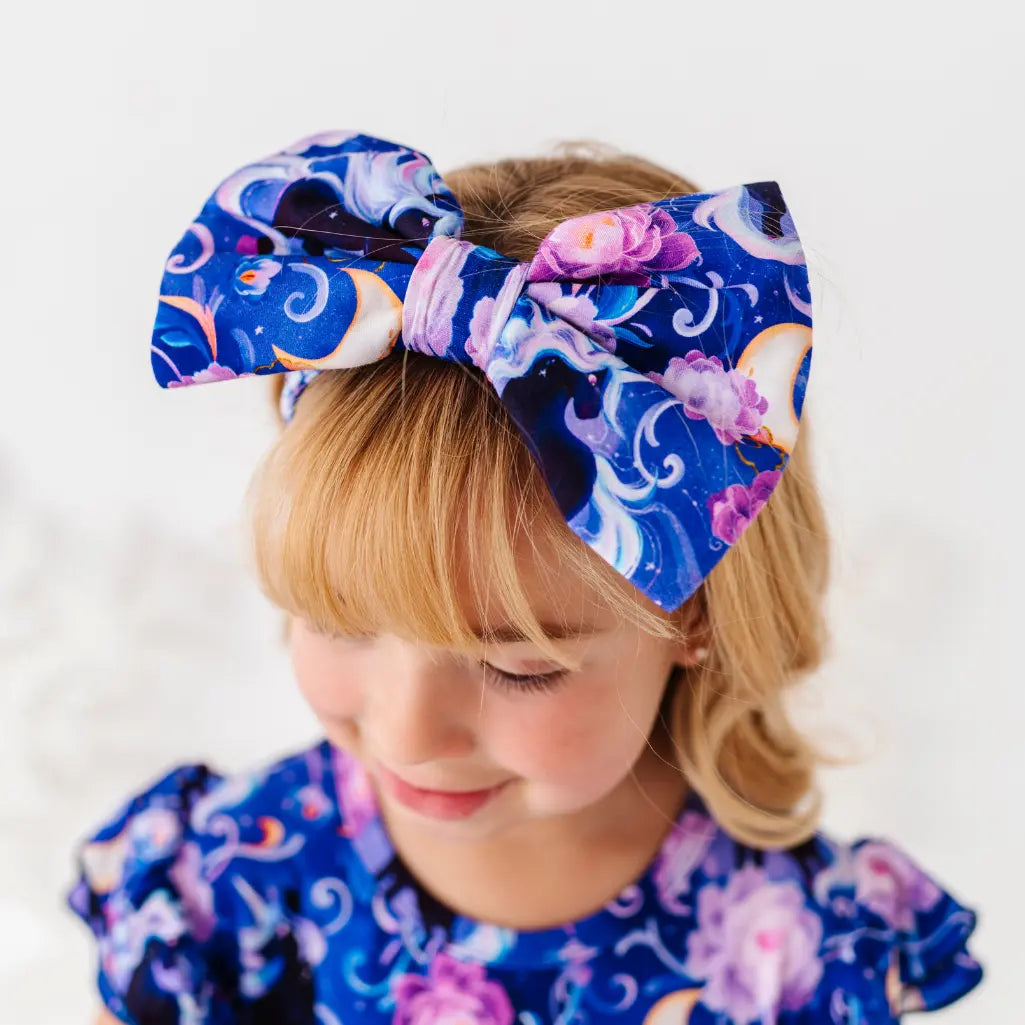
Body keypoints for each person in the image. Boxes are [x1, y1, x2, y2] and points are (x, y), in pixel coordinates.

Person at [67, 130, 984, 1024]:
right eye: (342, 622)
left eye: (516, 665)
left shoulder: (803, 951)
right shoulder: (223, 887)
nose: (408, 731)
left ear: (696, 609)